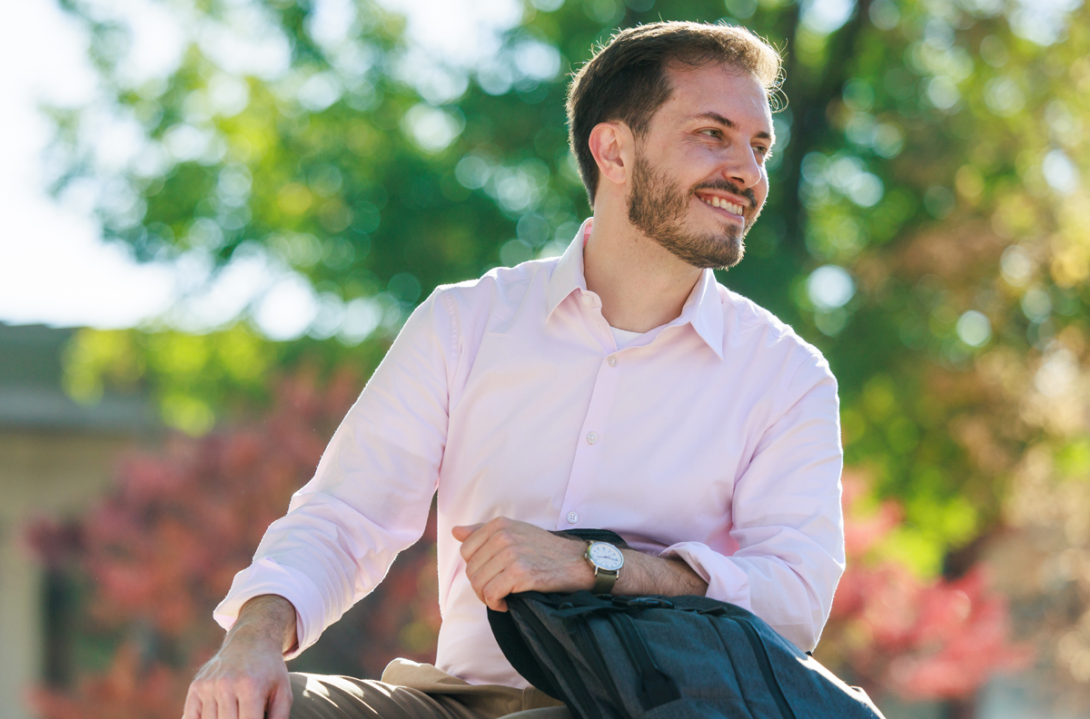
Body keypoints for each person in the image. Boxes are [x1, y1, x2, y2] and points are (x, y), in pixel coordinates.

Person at [183, 20, 846, 719]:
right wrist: (251, 638)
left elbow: (794, 599)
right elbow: (347, 514)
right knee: (255, 706)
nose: (748, 170)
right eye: (713, 134)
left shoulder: (785, 375)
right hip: (456, 702)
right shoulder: (466, 322)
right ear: (614, 149)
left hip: (639, 708)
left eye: (760, 145)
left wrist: (601, 565)